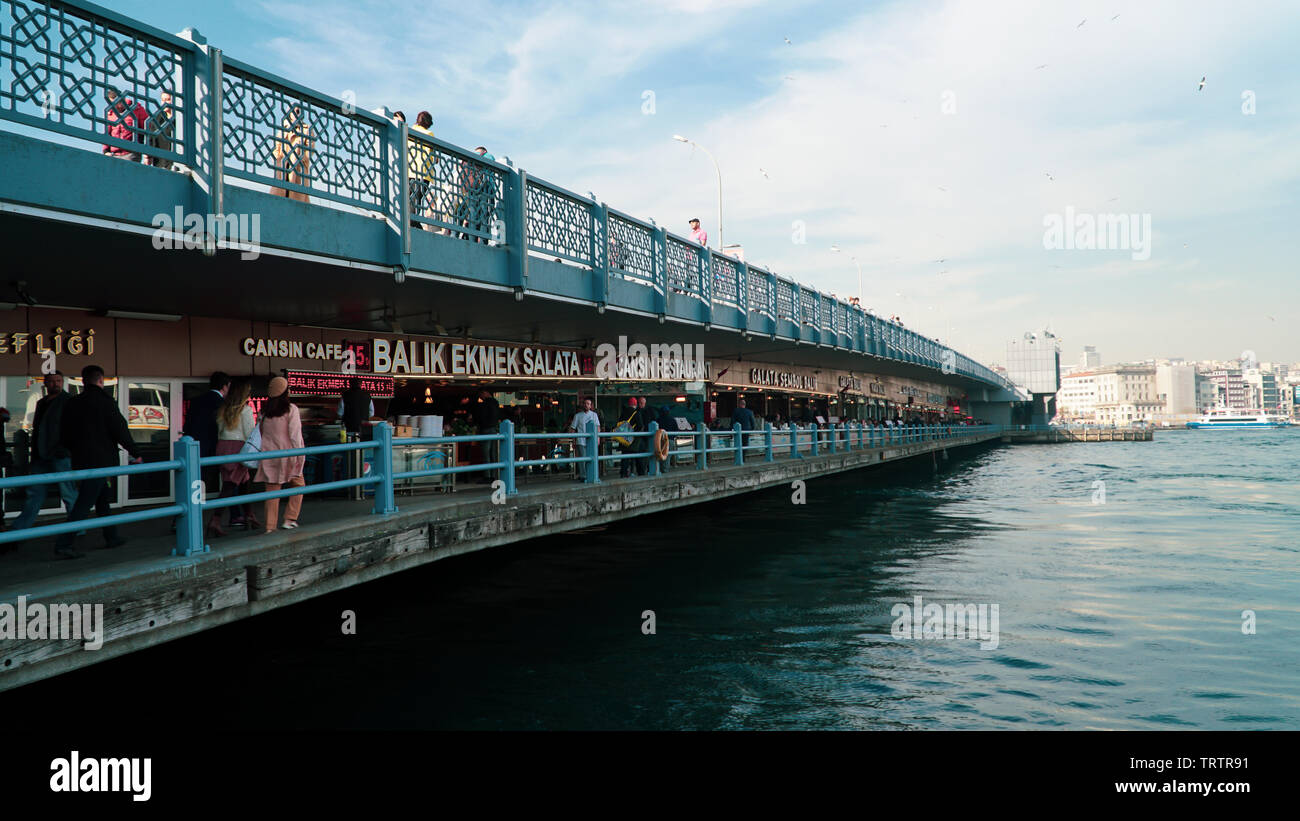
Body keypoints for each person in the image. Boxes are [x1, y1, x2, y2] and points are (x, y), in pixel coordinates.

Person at [55, 365, 142, 559]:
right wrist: (135, 452)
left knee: (102, 498)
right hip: (102, 460)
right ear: (101, 380)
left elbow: (65, 432)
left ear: (84, 381)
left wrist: (73, 450)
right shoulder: (105, 402)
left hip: (81, 459)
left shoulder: (73, 403)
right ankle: (64, 543)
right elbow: (120, 430)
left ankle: (111, 536)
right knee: (85, 502)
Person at [3, 372, 78, 553]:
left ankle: (77, 527)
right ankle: (20, 529)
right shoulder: (41, 403)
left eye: (58, 381)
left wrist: (64, 449)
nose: (55, 384)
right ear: (46, 384)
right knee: (35, 494)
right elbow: (38, 432)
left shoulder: (68, 401)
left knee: (68, 493)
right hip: (41, 455)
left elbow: (73, 429)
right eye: (52, 381)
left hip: (59, 455)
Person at [183, 372, 230, 538]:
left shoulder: (196, 401)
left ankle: (184, 518)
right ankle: (233, 515)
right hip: (212, 449)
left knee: (195, 484)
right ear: (224, 386)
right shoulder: (222, 404)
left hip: (192, 448)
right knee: (228, 480)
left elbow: (188, 425)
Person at [255, 377, 306, 532]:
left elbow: (261, 433)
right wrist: (301, 455)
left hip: (268, 456)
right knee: (299, 485)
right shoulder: (291, 409)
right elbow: (295, 435)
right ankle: (290, 519)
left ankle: (270, 527)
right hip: (288, 455)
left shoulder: (264, 412)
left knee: (272, 491)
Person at [215, 381, 259, 530]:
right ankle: (215, 519)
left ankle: (249, 515)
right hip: (239, 447)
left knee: (243, 482)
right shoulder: (246, 410)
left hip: (223, 445)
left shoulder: (223, 409)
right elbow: (249, 433)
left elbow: (220, 429)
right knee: (230, 485)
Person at [270, 104, 313, 203]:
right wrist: (278, 160)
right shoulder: (283, 128)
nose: (296, 113)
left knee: (297, 196)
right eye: (294, 111)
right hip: (283, 164)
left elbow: (310, 150)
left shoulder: (307, 129)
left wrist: (299, 158)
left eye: (298, 111)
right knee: (280, 193)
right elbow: (276, 148)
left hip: (298, 167)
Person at [103, 87, 148, 162]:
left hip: (131, 152)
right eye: (111, 104)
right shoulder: (110, 113)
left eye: (116, 103)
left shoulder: (136, 109)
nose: (115, 106)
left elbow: (146, 129)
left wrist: (146, 151)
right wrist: (106, 151)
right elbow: (108, 133)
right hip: (114, 154)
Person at [567, 398, 600, 482]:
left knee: (591, 458)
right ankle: (583, 476)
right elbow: (573, 428)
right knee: (583, 459)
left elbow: (598, 427)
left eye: (588, 404)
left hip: (591, 441)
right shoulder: (577, 415)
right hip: (581, 440)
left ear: (591, 405)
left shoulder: (594, 415)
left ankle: (591, 475)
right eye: (585, 403)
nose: (586, 405)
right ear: (583, 405)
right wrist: (572, 439)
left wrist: (598, 438)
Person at [472, 389, 499, 483]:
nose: (480, 398)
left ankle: (487, 476)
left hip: (486, 429)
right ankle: (495, 474)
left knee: (486, 453)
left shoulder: (485, 404)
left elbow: (481, 417)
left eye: (481, 395)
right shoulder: (496, 403)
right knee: (493, 453)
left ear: (485, 393)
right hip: (494, 429)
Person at [144, 90, 176, 169]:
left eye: (168, 99)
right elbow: (151, 138)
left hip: (176, 161)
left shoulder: (181, 118)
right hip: (160, 161)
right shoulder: (157, 118)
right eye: (163, 100)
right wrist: (148, 156)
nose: (165, 103)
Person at [614, 398, 641, 478]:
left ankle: (623, 473)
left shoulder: (623, 412)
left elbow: (619, 423)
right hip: (632, 439)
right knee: (632, 456)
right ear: (635, 404)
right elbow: (640, 425)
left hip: (623, 437)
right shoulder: (636, 413)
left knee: (624, 456)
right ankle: (632, 472)